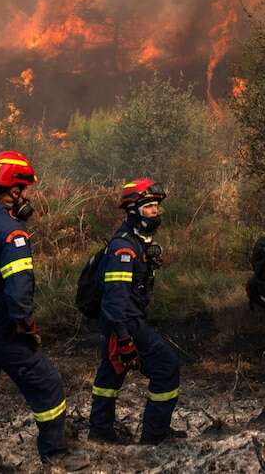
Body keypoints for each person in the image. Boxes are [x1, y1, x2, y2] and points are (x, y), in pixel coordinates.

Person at [0, 151, 84, 469]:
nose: (26, 197)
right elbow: (18, 289)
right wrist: (24, 324)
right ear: (14, 191)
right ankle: (56, 454)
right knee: (47, 383)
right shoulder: (13, 234)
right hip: (2, 327)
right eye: (24, 190)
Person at [88, 177, 185, 445]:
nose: (155, 211)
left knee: (110, 375)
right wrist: (125, 339)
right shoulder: (124, 249)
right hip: (125, 323)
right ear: (133, 211)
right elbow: (114, 300)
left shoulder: (134, 242)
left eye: (156, 206)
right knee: (167, 368)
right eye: (148, 206)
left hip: (119, 322)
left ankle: (100, 430)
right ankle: (155, 435)